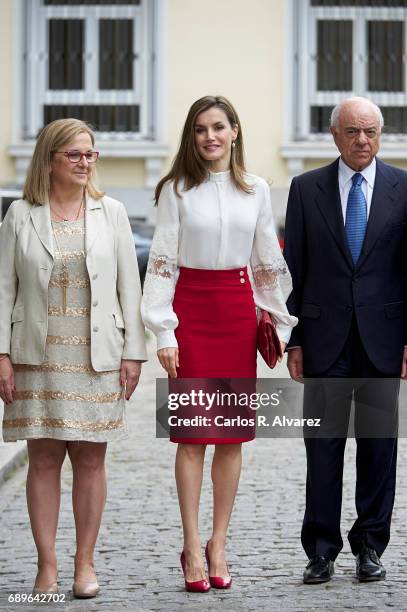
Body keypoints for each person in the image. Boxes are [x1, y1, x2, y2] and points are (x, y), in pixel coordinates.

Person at [141, 95, 297, 592]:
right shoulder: (175, 190)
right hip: (190, 311)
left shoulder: (255, 190)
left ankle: (219, 543)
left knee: (231, 439)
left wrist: (277, 322)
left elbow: (267, 258)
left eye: (218, 127)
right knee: (191, 436)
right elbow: (162, 261)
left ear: (234, 132)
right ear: (192, 137)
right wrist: (164, 330)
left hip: (235, 313)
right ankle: (190, 546)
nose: (210, 136)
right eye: (200, 129)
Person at [0, 118, 147, 597]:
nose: (85, 162)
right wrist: (1, 354)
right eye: (75, 155)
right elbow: (4, 291)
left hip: (97, 354)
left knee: (90, 459)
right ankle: (47, 565)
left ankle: (85, 564)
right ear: (50, 160)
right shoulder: (20, 215)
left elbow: (131, 286)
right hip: (34, 356)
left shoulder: (113, 212)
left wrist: (134, 353)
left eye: (91, 154)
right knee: (42, 459)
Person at [284, 97, 407, 584]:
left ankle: (370, 547)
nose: (363, 141)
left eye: (372, 132)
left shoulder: (403, 186)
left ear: (382, 135)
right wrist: (294, 339)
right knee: (323, 447)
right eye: (353, 131)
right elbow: (294, 269)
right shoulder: (305, 188)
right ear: (334, 135)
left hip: (385, 339)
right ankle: (321, 550)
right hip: (324, 340)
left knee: (379, 450)